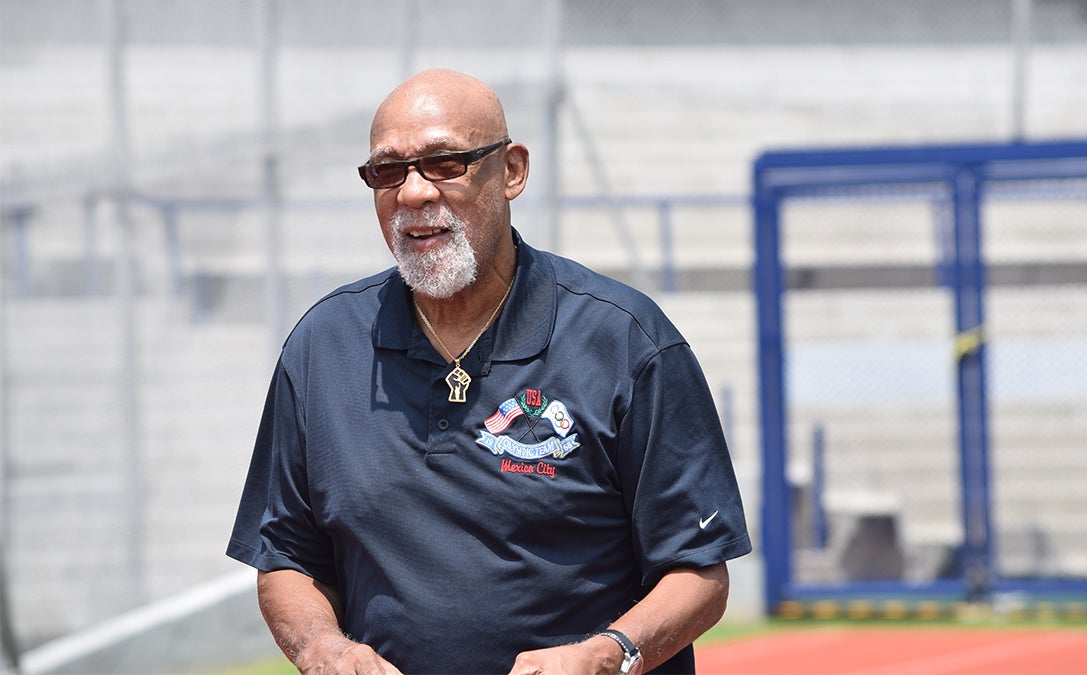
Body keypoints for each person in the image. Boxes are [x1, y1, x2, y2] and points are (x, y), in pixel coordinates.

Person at [227, 68, 751, 675]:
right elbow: (286, 557)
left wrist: (609, 654)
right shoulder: (322, 347)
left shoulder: (625, 341)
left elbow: (700, 571)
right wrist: (322, 646)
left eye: (445, 163)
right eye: (388, 172)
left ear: (512, 171)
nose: (414, 193)